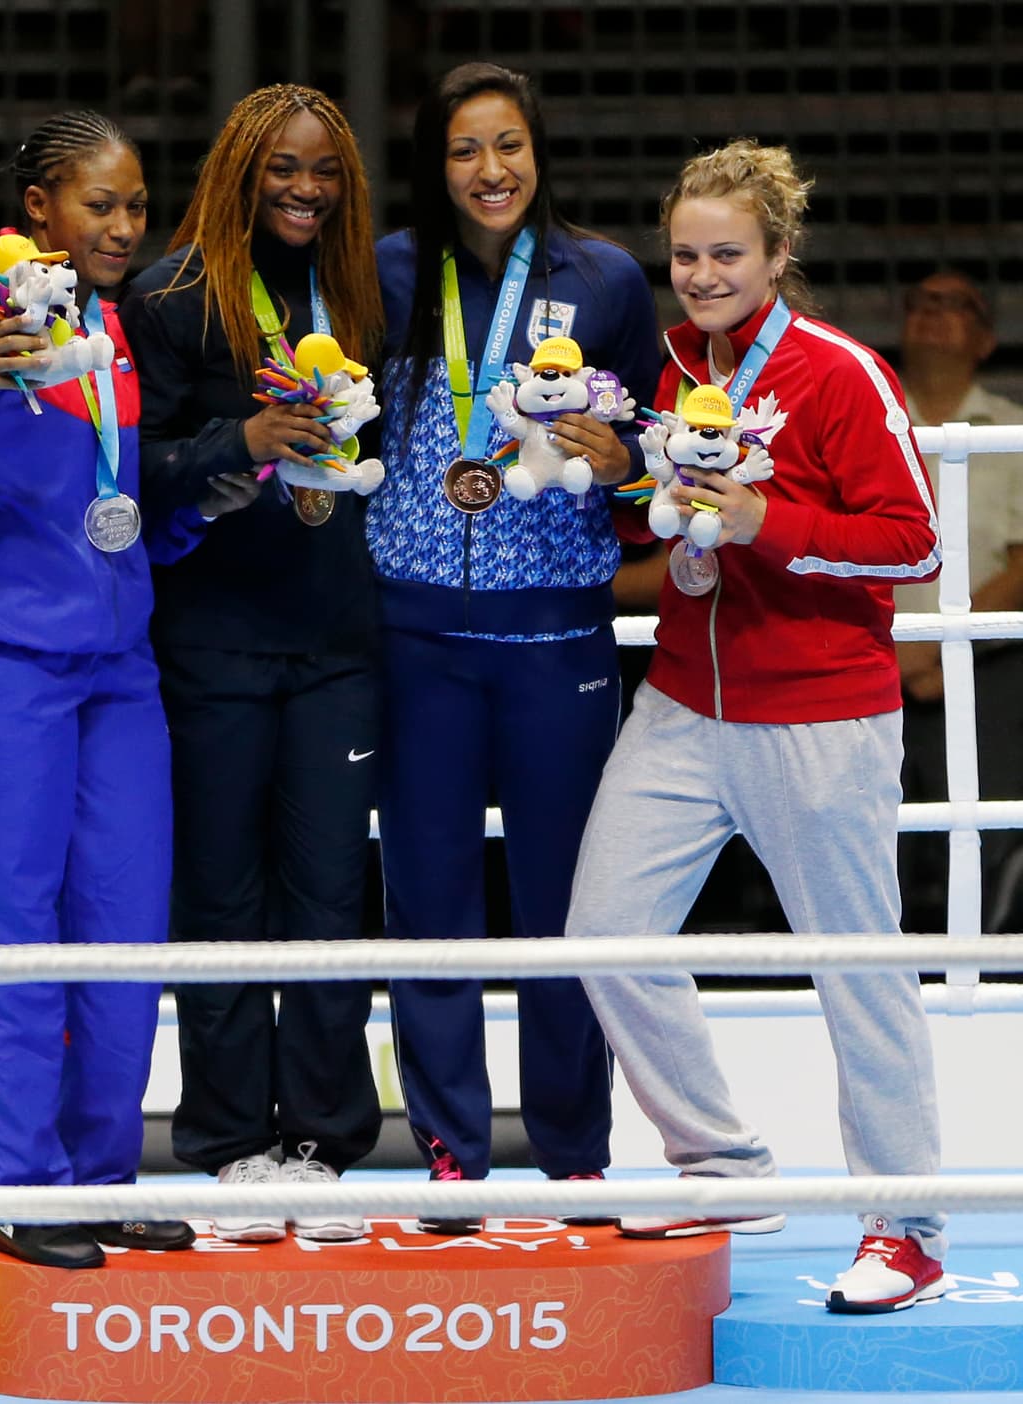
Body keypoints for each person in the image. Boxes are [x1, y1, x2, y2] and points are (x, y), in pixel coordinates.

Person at [0, 110, 256, 1270]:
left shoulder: (110, 326)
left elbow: (95, 509)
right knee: (14, 931)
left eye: (135, 205)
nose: (126, 226)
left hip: (116, 666)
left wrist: (187, 514)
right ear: (39, 207)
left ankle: (97, 1177)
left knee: (120, 929)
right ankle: (17, 1189)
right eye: (100, 205)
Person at [566, 139, 946, 1314]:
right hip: (682, 702)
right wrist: (636, 489)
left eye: (726, 252)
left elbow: (916, 542)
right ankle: (719, 1165)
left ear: (778, 255)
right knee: (605, 935)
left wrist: (758, 521)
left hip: (820, 716)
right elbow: (673, 521)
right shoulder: (673, 365)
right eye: (683, 253)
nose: (700, 272)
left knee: (856, 973)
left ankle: (909, 1230)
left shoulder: (838, 372)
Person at [367, 61, 661, 1235]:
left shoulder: (606, 279)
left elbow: (647, 463)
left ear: (536, 151)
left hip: (555, 641)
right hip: (416, 636)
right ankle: (449, 1155)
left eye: (508, 146)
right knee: (427, 901)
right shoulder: (385, 272)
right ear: (434, 167)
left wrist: (621, 459)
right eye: (462, 151)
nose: (489, 171)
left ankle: (573, 1155)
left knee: (564, 906)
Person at [118, 84, 384, 1243]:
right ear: (238, 170)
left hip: (337, 640)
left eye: (322, 170)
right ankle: (228, 1142)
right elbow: (136, 463)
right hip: (211, 636)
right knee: (220, 893)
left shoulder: (366, 289)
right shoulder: (169, 296)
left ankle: (323, 1143)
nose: (304, 188)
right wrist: (245, 441)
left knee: (328, 891)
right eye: (281, 167)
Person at [891, 269, 1023, 933]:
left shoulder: (1014, 429)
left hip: (987, 663)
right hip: (870, 660)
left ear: (988, 339)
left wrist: (942, 645)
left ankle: (979, 980)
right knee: (875, 843)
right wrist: (902, 652)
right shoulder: (869, 420)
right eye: (922, 300)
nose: (934, 313)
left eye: (957, 305)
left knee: (984, 838)